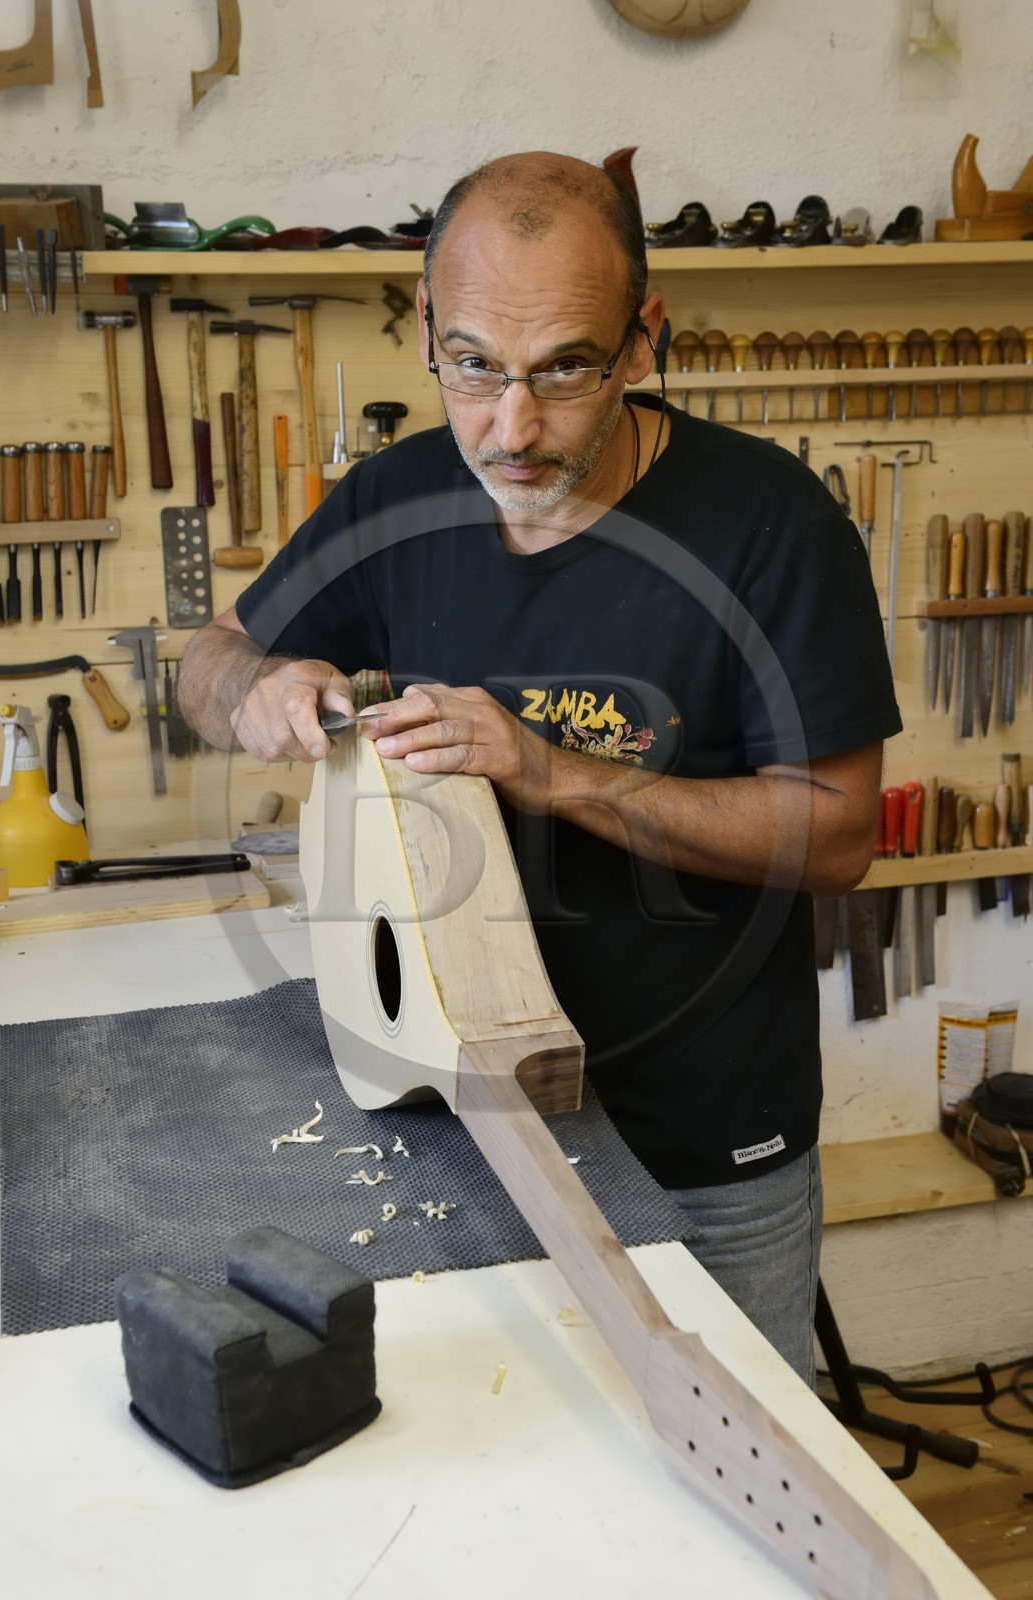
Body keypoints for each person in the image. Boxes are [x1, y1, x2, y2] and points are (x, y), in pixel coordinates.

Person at [178, 151, 901, 1385]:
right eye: (472, 365)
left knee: (736, 1466)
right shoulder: (396, 497)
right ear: (424, 328)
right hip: (455, 1122)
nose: (511, 429)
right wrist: (258, 686)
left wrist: (544, 767)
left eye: (564, 368)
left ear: (641, 339)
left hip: (702, 1141)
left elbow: (836, 835)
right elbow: (208, 658)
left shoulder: (771, 524)